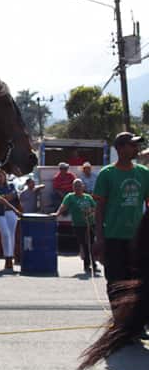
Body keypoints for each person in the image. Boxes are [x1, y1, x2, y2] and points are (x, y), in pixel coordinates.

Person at [93, 132, 149, 323]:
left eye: (136, 145)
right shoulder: (107, 174)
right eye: (132, 145)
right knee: (116, 280)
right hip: (114, 236)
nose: (136, 149)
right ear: (120, 148)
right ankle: (120, 321)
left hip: (138, 239)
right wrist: (99, 239)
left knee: (138, 281)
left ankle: (136, 322)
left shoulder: (144, 173)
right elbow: (99, 209)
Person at [57, 178, 97, 274]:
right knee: (84, 244)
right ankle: (87, 265)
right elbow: (63, 206)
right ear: (72, 187)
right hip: (78, 225)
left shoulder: (88, 197)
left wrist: (90, 212)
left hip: (90, 224)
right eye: (75, 186)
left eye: (79, 186)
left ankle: (93, 263)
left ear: (83, 187)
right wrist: (57, 213)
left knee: (91, 244)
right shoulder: (70, 197)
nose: (77, 188)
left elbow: (95, 207)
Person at [0, 168, 21, 270]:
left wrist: (4, 197)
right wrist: (5, 197)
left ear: (5, 177)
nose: (0, 178)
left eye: (1, 176)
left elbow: (13, 196)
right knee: (5, 234)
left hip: (11, 213)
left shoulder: (11, 185)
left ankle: (9, 258)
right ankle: (7, 256)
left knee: (11, 235)